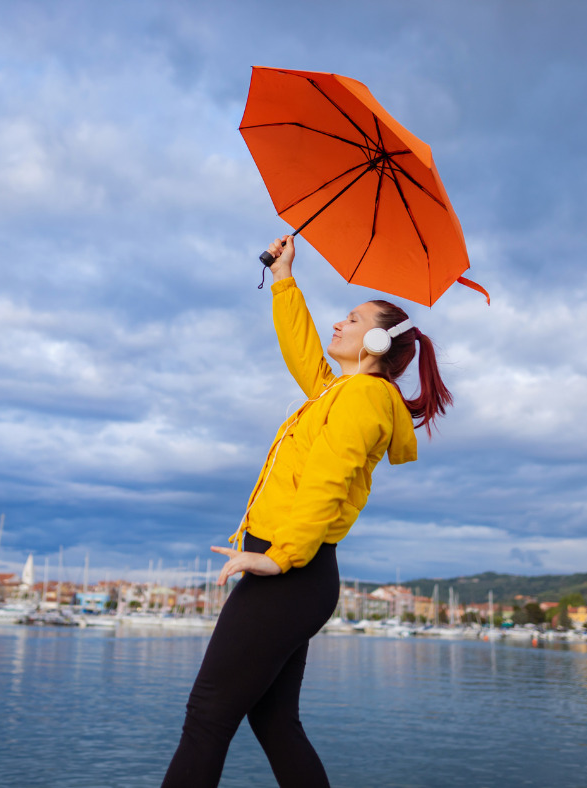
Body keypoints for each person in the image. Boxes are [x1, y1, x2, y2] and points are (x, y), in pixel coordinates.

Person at [161, 236, 453, 788]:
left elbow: (329, 480)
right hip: (298, 573)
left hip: (292, 571)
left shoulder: (364, 400)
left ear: (374, 339)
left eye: (351, 319)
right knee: (273, 720)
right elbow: (303, 353)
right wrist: (284, 277)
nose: (337, 325)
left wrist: (279, 557)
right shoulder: (339, 394)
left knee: (207, 715)